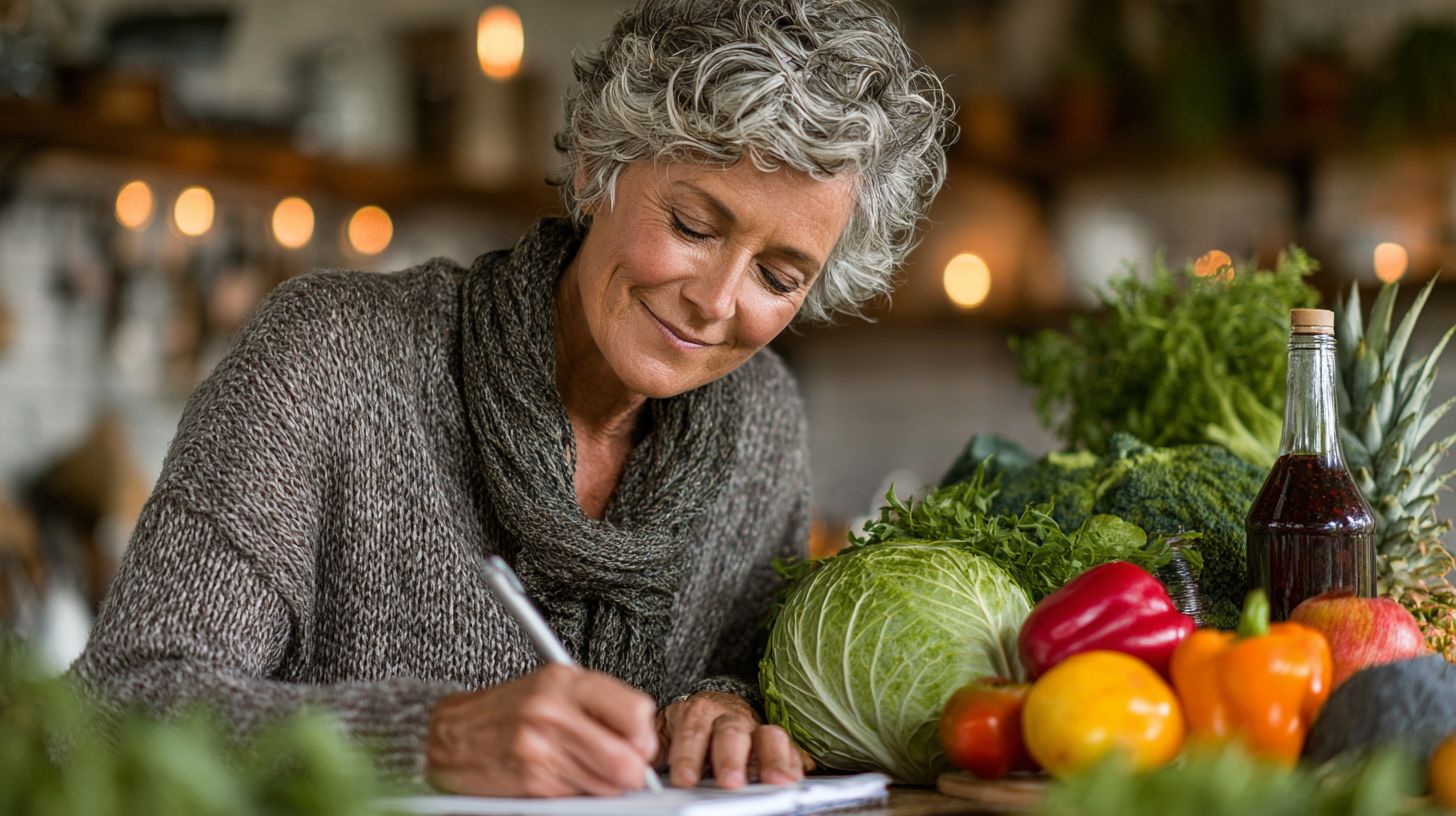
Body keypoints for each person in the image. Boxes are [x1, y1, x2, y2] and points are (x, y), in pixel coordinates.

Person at [71, 0, 950, 797]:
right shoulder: (330, 355)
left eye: (779, 274)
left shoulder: (764, 423)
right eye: (692, 226)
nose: (718, 301)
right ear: (601, 167)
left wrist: (723, 714)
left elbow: (731, 678)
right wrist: (429, 738)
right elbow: (107, 711)